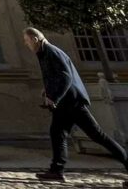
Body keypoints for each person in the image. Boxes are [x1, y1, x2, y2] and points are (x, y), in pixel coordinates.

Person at [23, 27, 128, 186]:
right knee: (57, 133)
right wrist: (48, 89)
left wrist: (54, 97)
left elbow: (66, 77)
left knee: (97, 136)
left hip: (72, 103)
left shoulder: (51, 51)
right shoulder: (44, 52)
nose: (26, 44)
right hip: (65, 104)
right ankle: (56, 171)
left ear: (35, 39)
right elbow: (56, 75)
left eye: (27, 40)